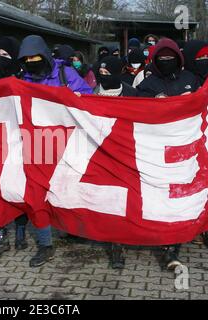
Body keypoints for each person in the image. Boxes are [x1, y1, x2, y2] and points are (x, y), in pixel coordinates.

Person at [17, 35, 92, 267]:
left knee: (69, 190)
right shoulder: (22, 79)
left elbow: (90, 98)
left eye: (35, 57)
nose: (32, 62)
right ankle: (45, 245)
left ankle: (74, 228)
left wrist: (80, 98)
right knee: (36, 196)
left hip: (69, 144)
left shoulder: (65, 74)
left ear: (46, 55)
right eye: (27, 58)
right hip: (36, 145)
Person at [136, 38, 200, 271]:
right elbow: (137, 110)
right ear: (154, 61)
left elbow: (205, 103)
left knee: (180, 194)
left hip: (184, 148)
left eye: (169, 58)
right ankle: (165, 244)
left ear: (178, 59)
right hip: (158, 150)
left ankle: (174, 245)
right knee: (162, 195)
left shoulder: (190, 80)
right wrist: (154, 102)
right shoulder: (148, 83)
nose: (166, 62)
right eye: (160, 59)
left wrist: (190, 102)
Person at [0, 36, 29, 256]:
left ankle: (21, 230)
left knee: (20, 187)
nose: (2, 59)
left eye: (6, 55)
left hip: (21, 141)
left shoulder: (26, 80)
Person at [93, 56, 136, 268]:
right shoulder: (90, 93)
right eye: (101, 74)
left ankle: (120, 241)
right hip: (99, 154)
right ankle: (108, 239)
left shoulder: (132, 93)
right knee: (106, 199)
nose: (104, 78)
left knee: (123, 200)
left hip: (125, 154)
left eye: (108, 74)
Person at [183, 40, 208, 251]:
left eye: (207, 58)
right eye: (199, 59)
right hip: (190, 138)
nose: (204, 62)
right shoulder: (184, 79)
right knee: (193, 181)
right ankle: (197, 226)